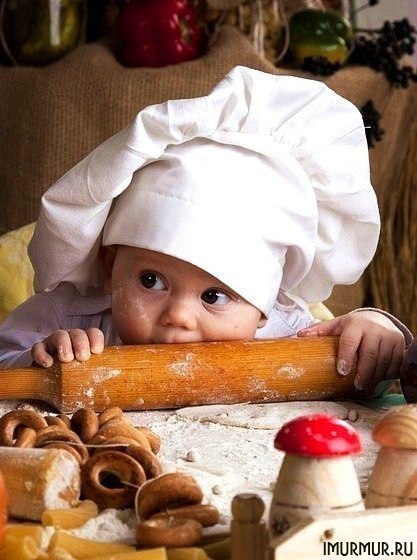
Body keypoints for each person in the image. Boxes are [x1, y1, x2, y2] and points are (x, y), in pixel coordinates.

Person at [0, 66, 412, 394]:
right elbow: (4, 367)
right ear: (110, 268)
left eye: (214, 296)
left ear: (265, 307)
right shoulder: (68, 314)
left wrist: (373, 332)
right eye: (151, 280)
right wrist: (38, 362)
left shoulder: (285, 336)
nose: (178, 316)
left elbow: (357, 374)